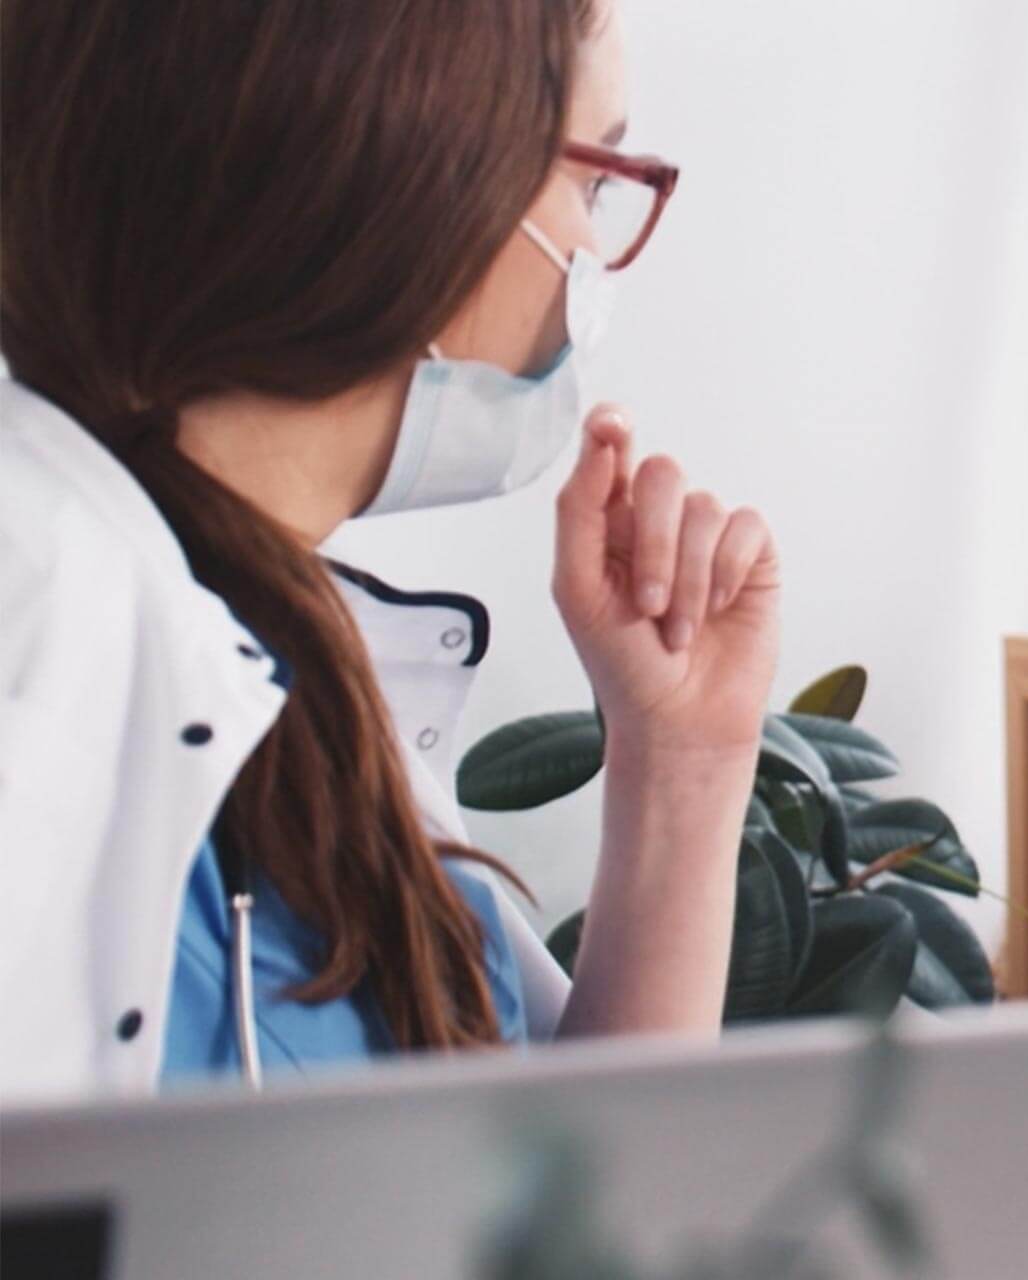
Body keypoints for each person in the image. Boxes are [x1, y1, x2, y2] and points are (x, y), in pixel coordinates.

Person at [0, 0, 774, 1098]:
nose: (597, 255)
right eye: (591, 182)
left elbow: (567, 1192)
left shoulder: (283, 647)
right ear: (409, 178)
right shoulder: (36, 633)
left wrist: (683, 762)